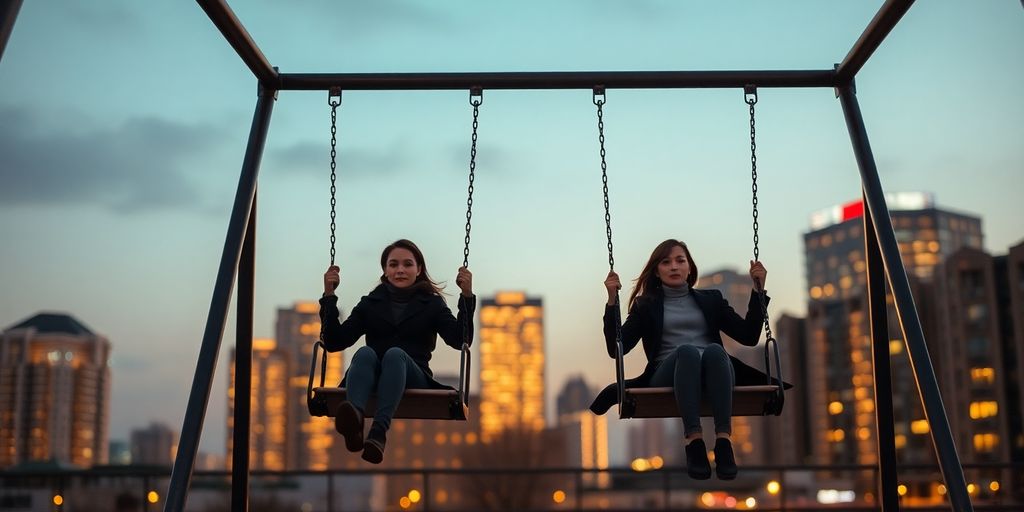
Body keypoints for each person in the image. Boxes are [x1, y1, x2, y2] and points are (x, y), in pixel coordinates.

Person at [589, 238, 773, 480]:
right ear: (657, 271)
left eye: (680, 260)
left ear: (689, 267)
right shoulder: (646, 306)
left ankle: (724, 442)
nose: (674, 267)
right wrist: (612, 299)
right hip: (667, 373)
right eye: (666, 262)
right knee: (687, 352)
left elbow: (749, 336)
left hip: (713, 369)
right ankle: (694, 441)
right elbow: (617, 349)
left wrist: (758, 289)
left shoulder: (711, 299)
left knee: (716, 351)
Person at [319, 239, 475, 464]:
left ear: (418, 269)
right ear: (385, 270)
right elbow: (335, 342)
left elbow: (459, 339)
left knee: (394, 354)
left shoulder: (432, 304)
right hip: (371, 378)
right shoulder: (370, 303)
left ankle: (379, 433)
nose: (400, 270)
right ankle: (355, 422)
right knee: (364, 354)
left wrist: (467, 296)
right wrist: (329, 296)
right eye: (393, 264)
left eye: (407, 264)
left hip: (413, 375)